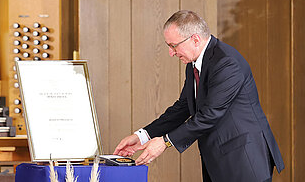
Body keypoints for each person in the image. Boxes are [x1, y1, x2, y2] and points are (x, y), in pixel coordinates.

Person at [113, 10, 284, 182]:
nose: (171, 53)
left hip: (244, 159)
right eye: (168, 46)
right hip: (218, 160)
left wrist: (165, 142)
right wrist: (142, 136)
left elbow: (209, 115)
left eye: (174, 46)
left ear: (195, 39)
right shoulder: (193, 62)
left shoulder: (227, 63)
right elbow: (183, 107)